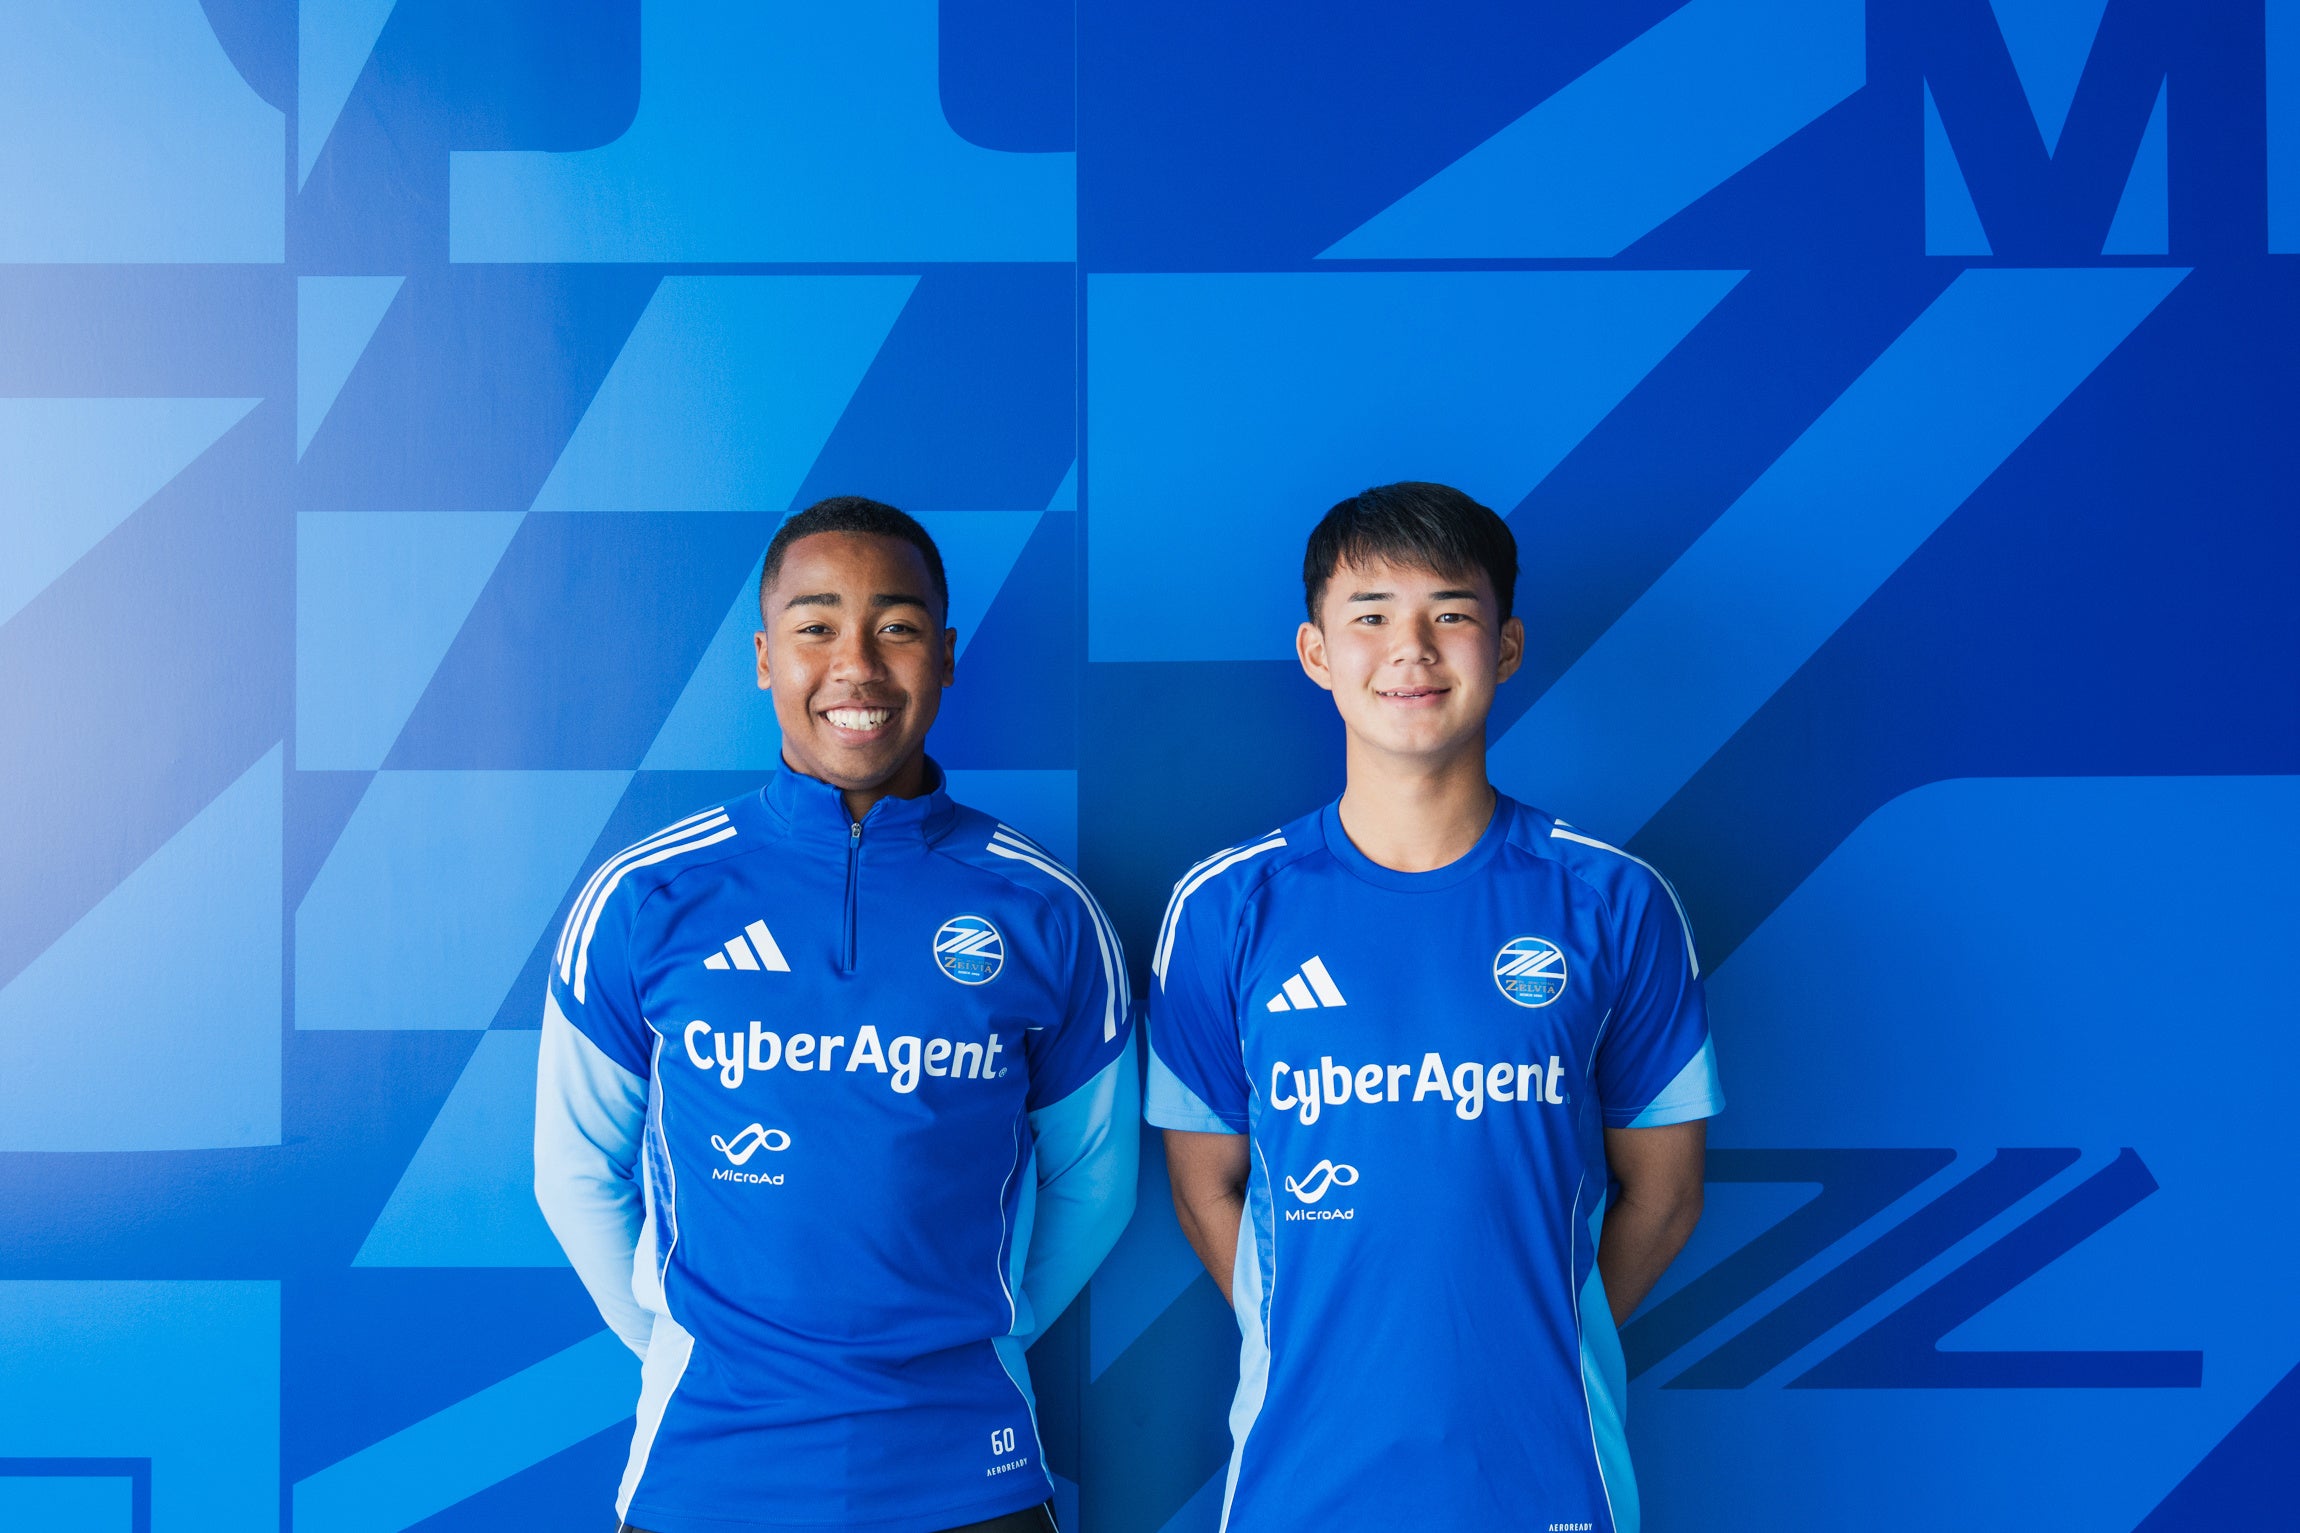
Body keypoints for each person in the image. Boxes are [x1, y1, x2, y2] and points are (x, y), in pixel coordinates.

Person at [535, 496, 1135, 1533]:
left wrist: (976, 1333)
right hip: (707, 1480)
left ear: (944, 655)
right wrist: (694, 1349)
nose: (855, 665)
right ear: (764, 656)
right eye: (816, 627)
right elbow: (575, 1170)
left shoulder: (1044, 909)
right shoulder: (646, 897)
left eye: (895, 627)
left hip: (971, 1477)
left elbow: (1095, 1180)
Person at [1148, 482, 1719, 1533]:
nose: (1409, 649)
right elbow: (1204, 1185)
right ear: (1316, 652)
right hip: (1301, 1485)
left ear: (1506, 646)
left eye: (1450, 612)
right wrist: (1324, 1334)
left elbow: (1666, 1192)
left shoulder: (1612, 901)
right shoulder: (1225, 908)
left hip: (1546, 1477)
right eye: (1369, 615)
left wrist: (1540, 1331)